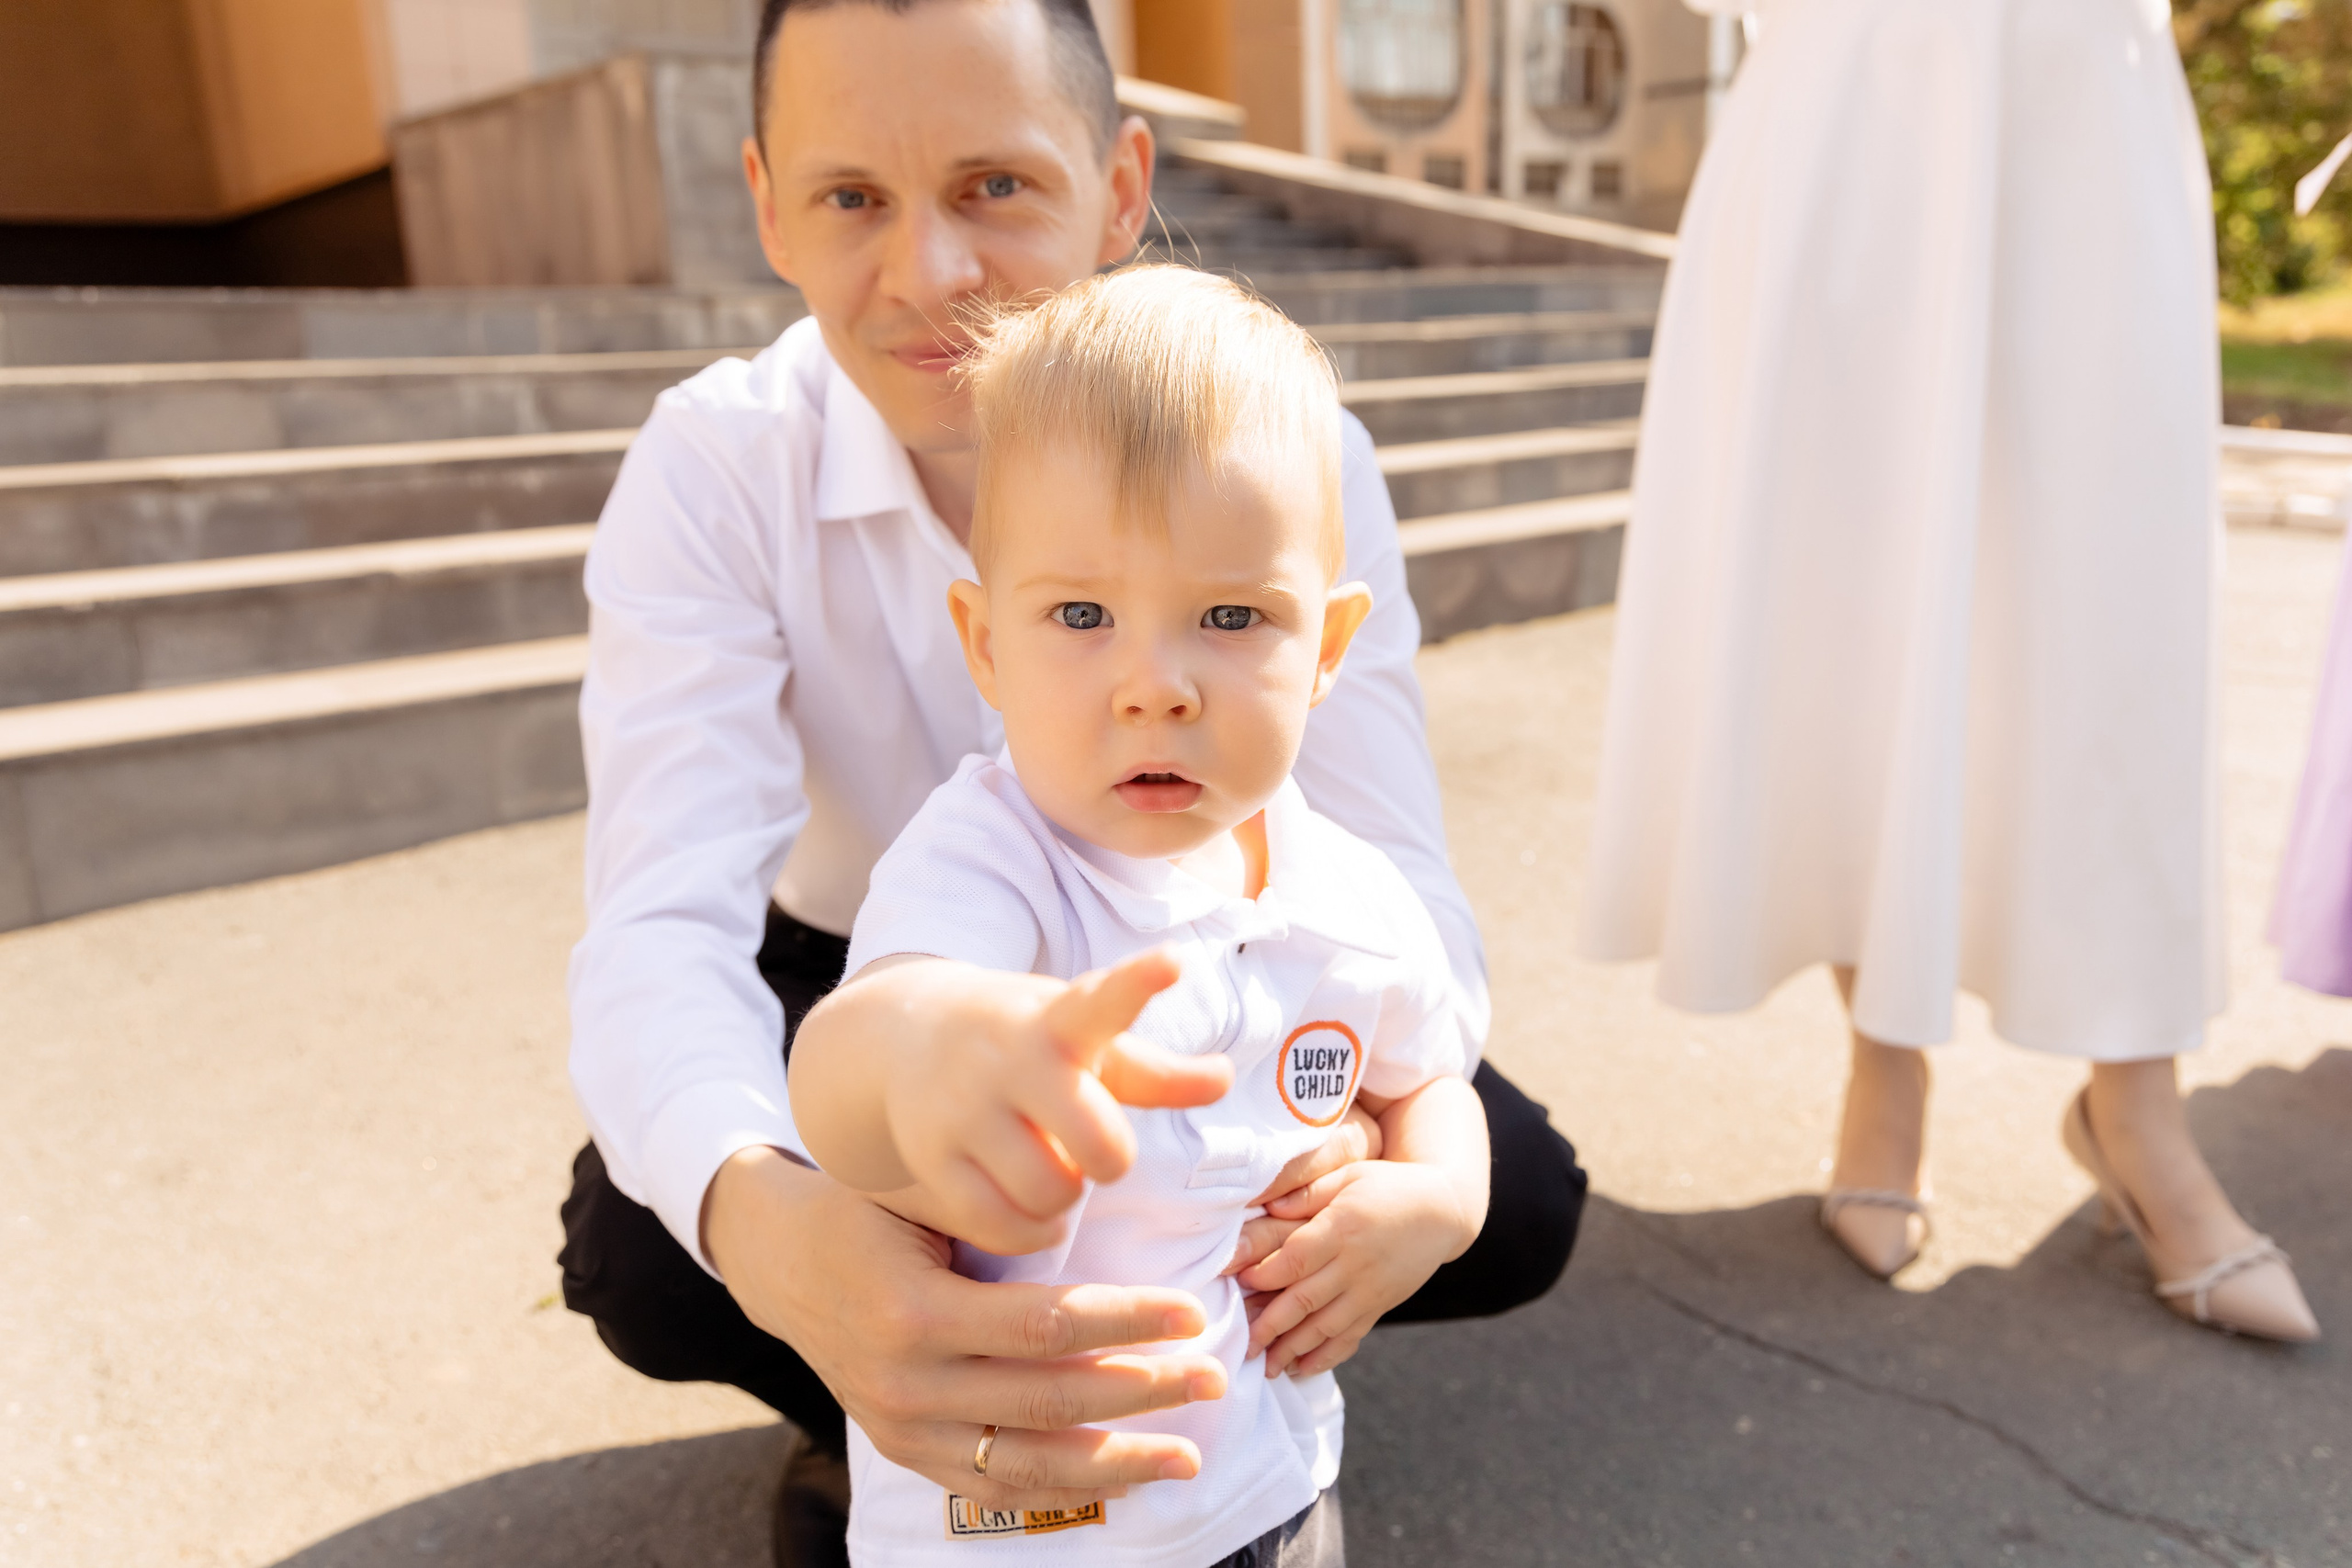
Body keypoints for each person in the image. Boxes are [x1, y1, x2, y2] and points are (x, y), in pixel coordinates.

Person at [556, 1, 1588, 1561]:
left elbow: (1391, 862)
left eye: (994, 188)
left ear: (1119, 186)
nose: (930, 274)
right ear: (766, 203)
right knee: (653, 1239)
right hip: (865, 972)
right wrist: (789, 1245)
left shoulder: (1288, 453)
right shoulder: (714, 463)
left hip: (1223, 934)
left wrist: (1379, 1173)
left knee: (1516, 1200)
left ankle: (1230, 1363)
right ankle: (892, 1403)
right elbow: (657, 926)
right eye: (853, 199)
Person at [1581, 0, 2318, 1341]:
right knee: (1848, 590)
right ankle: (1884, 1055)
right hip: (1859, 88)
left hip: (2084, 91)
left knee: (2115, 617)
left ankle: (2135, 1108)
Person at [788, 265, 1490, 1566]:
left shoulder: (1347, 893)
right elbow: (848, 1066)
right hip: (1013, 1526)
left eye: (1232, 616)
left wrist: (1441, 1197)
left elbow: (1429, 1074)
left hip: (1271, 1490)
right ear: (986, 642)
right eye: (1081, 615)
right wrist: (944, 1049)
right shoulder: (991, 862)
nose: (1155, 684)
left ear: (1328, 646)